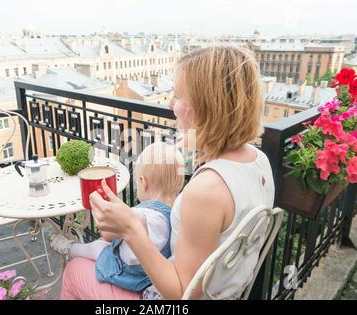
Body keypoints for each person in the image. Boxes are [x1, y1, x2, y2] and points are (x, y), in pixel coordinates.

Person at [60, 45, 275, 300]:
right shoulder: (259, 159)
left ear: (205, 106)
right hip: (231, 293)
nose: (171, 103)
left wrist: (131, 229)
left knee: (74, 270)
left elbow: (182, 295)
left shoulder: (207, 189)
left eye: (178, 95)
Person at [51, 142, 185, 292]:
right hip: (152, 274)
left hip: (128, 272)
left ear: (143, 182)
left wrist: (102, 209)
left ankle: (70, 248)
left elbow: (108, 235)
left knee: (99, 247)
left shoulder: (143, 214)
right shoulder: (174, 214)